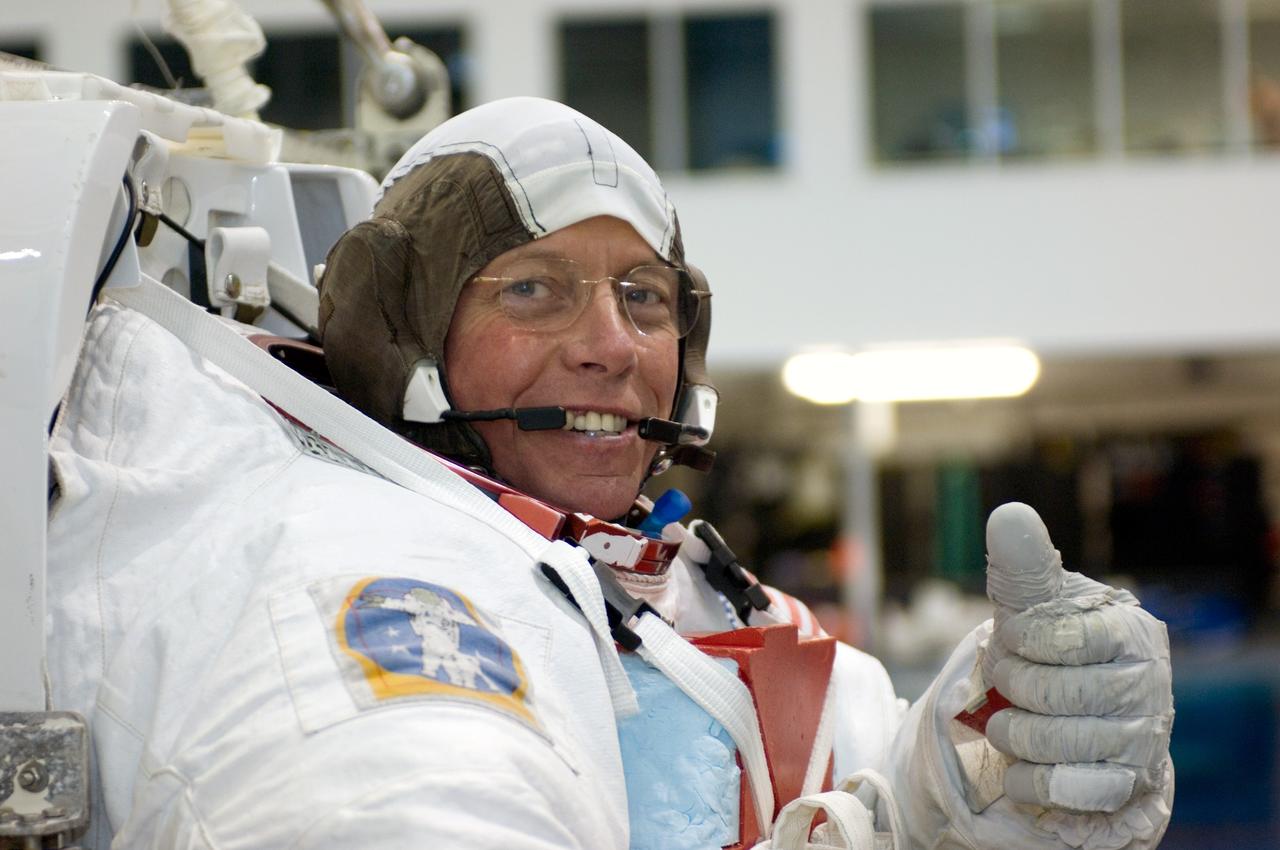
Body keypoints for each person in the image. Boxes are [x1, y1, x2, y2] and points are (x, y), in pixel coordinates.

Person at [45, 97, 1173, 849]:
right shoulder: (357, 592)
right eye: (530, 288)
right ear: (399, 333)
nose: (611, 345)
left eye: (643, 296)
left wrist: (997, 746)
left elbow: (882, 776)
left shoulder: (728, 625)